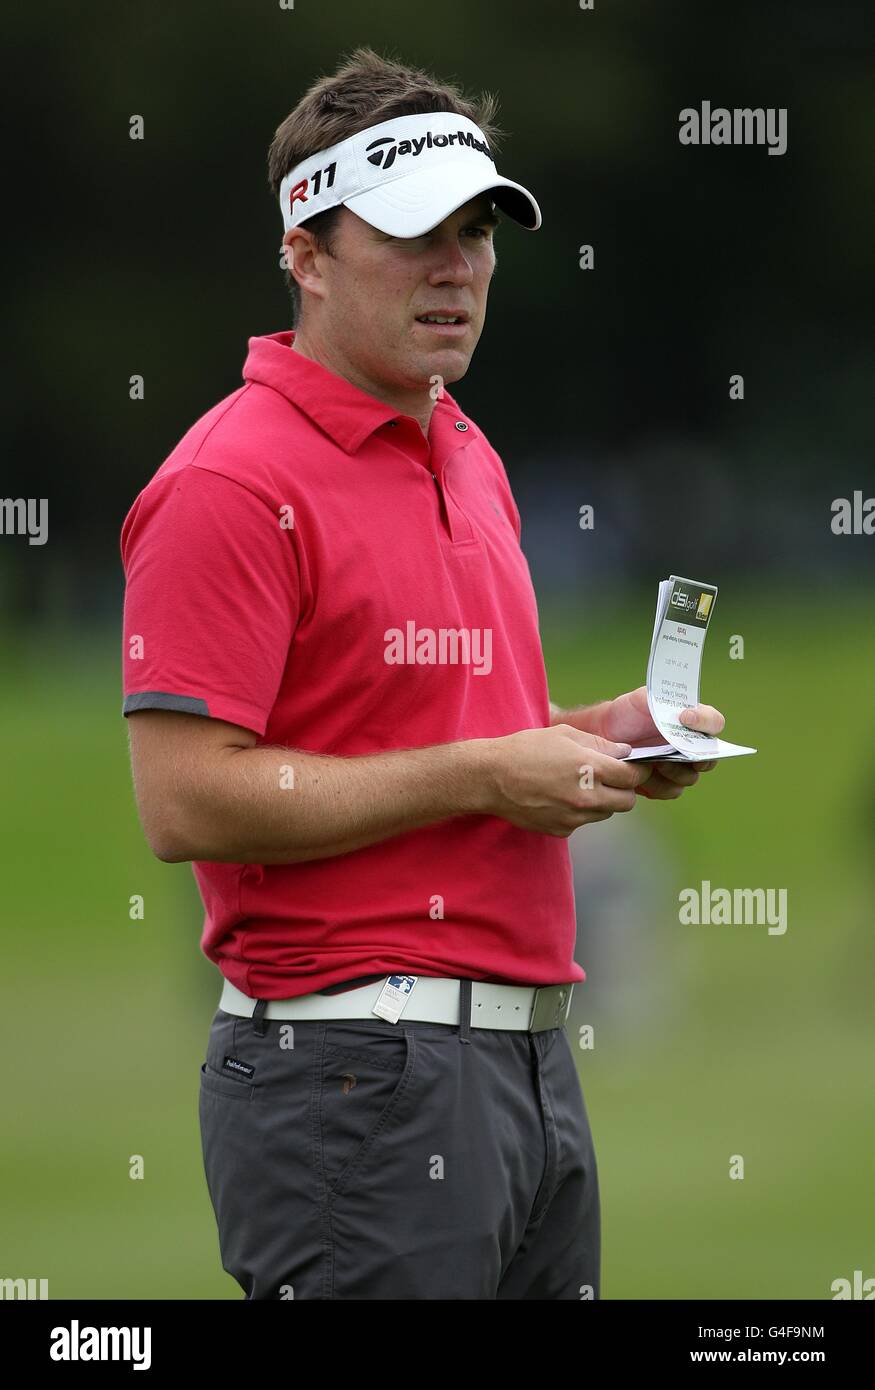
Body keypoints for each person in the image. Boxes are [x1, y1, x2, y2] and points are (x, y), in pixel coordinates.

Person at [120, 47, 721, 1300]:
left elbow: (446, 734)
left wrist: (592, 733)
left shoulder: (461, 445)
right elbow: (184, 800)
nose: (457, 267)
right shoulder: (229, 482)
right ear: (306, 251)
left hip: (529, 1066)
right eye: (410, 234)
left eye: (477, 230)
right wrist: (489, 769)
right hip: (353, 1078)